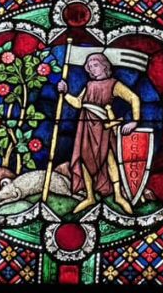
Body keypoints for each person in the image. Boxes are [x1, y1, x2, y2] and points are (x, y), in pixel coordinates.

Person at [57, 53, 140, 215]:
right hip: (85, 125)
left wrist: (135, 121)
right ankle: (90, 196)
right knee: (83, 160)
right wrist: (65, 93)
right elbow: (78, 103)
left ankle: (118, 195)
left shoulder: (113, 84)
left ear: (105, 66)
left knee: (109, 159)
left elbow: (133, 98)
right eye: (89, 67)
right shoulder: (89, 85)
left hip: (103, 127)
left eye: (95, 65)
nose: (92, 69)